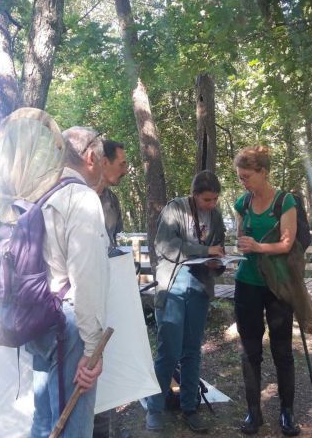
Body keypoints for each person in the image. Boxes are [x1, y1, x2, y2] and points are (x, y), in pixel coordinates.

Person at [25, 125, 110, 438]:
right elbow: (87, 278)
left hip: (36, 319)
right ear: (90, 157)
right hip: (67, 326)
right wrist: (92, 349)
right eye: (101, 161)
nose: (102, 169)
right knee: (71, 428)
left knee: (45, 421)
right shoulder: (81, 198)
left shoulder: (38, 194)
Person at [145, 170, 226, 434]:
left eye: (214, 199)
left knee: (192, 351)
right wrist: (204, 251)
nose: (211, 205)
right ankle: (155, 409)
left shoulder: (215, 215)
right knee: (168, 351)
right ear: (194, 195)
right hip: (174, 285)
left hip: (199, 286)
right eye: (206, 200)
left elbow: (219, 247)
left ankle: (190, 407)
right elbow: (165, 246)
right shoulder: (174, 209)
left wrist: (217, 263)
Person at [233, 145, 301, 436]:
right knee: (250, 351)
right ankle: (253, 412)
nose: (243, 182)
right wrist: (241, 243)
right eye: (240, 177)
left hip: (277, 285)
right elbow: (240, 236)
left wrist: (259, 246)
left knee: (282, 350)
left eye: (247, 176)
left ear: (263, 172)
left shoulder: (285, 202)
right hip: (247, 283)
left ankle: (287, 413)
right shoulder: (243, 203)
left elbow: (286, 244)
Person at [92, 139, 128, 438]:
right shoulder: (75, 197)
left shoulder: (112, 200)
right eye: (122, 163)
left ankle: (105, 431)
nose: (126, 169)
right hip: (81, 300)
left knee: (105, 367)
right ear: (102, 162)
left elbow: (113, 243)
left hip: (108, 294)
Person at [95, 140, 128, 250]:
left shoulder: (113, 200)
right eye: (122, 164)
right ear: (104, 163)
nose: (125, 171)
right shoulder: (74, 199)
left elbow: (114, 239)